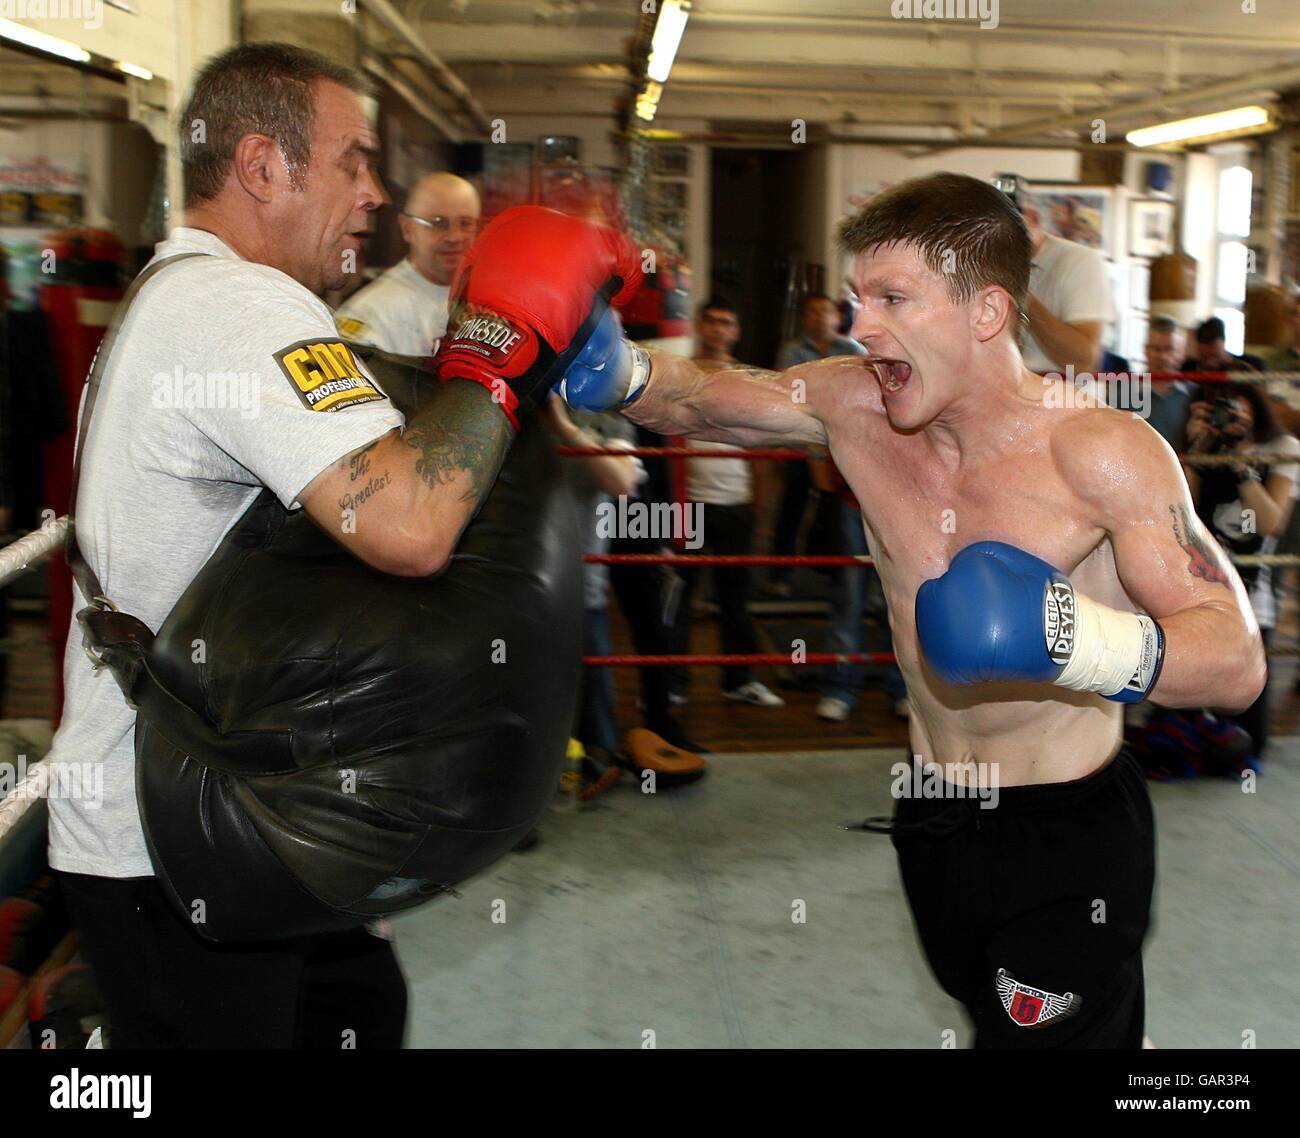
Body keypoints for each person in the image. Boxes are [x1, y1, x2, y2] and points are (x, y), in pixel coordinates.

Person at [548, 171, 1265, 1047]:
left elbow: (1236, 661)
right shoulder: (857, 406)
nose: (862, 326)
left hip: (1065, 836)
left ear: (988, 313)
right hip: (932, 814)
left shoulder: (1100, 453)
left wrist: (1072, 639)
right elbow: (699, 397)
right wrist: (608, 364)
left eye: (894, 298)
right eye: (859, 298)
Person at [47, 43, 621, 1048]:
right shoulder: (235, 307)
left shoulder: (185, 298)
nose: (374, 192)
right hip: (179, 839)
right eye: (352, 161)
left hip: (240, 808)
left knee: (363, 1012)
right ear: (263, 166)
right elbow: (407, 524)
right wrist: (497, 354)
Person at [669, 298, 784, 707]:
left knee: (736, 599)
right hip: (689, 505)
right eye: (712, 321)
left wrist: (763, 511)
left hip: (736, 501)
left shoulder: (748, 378)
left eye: (727, 322)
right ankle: (673, 684)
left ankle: (738, 680)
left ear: (735, 331)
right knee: (680, 598)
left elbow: (763, 446)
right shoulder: (679, 374)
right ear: (701, 326)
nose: (718, 329)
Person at [1183, 382, 1298, 757]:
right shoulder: (1209, 447)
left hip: (1253, 593)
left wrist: (1241, 466)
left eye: (1240, 410)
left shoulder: (1283, 449)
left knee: (1253, 738)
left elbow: (1270, 523)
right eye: (1224, 410)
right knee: (1191, 713)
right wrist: (1195, 453)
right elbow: (1178, 514)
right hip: (1200, 589)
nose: (1231, 419)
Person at [766, 293, 868, 597]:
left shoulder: (853, 350)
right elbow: (787, 394)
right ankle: (780, 574)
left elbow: (856, 396)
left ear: (837, 318)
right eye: (813, 312)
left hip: (840, 443)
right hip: (801, 439)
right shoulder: (792, 350)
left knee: (838, 511)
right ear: (803, 318)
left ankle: (836, 577)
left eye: (826, 312)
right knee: (792, 507)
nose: (820, 318)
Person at [334, 171, 480, 356]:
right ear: (407, 228)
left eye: (465, 224)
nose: (454, 237)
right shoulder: (371, 315)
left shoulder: (489, 297)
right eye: (438, 223)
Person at [1019, 190, 1114, 378]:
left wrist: (1022, 297)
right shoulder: (988, 262)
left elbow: (1084, 362)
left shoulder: (1080, 261)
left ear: (1032, 218)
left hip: (1062, 399)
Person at [1143, 314, 1194, 453]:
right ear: (1145, 350)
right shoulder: (1123, 393)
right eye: (1156, 349)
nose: (1162, 357)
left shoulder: (1195, 394)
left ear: (1182, 352)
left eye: (1169, 349)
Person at [1181, 316, 1265, 375]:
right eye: (1204, 357)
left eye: (1214, 356)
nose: (1209, 363)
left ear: (1224, 342)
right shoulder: (1188, 369)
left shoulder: (1252, 365)